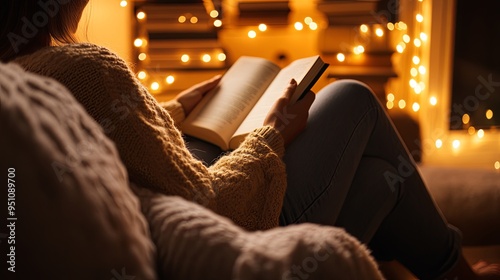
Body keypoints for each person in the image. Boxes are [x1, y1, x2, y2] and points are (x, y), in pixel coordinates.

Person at [1, 1, 499, 279]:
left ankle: (449, 271)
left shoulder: (18, 78)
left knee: (379, 182)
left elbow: (118, 153)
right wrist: (272, 133)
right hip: (239, 215)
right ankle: (455, 272)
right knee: (352, 99)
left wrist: (170, 109)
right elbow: (212, 206)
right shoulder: (85, 68)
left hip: (196, 178)